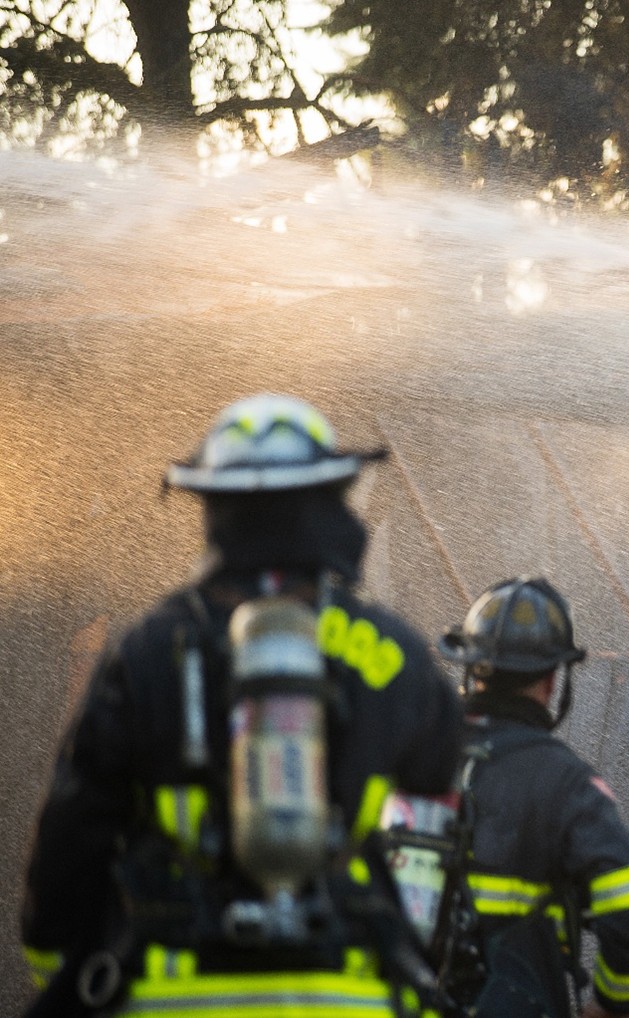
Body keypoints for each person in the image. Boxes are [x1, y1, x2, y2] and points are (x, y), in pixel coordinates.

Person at [20, 393, 464, 1016]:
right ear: (329, 505)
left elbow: (75, 828)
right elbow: (440, 804)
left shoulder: (149, 649)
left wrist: (63, 968)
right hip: (351, 991)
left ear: (213, 509)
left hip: (172, 991)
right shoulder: (394, 653)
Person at [433, 578, 629, 1018]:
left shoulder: (412, 762)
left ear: (470, 668)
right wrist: (613, 1003)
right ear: (552, 680)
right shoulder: (562, 782)